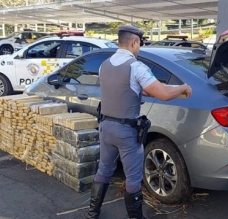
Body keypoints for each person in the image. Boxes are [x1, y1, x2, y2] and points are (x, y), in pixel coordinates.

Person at [84, 25, 192, 219]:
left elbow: (130, 89)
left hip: (106, 127)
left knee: (104, 170)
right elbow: (163, 94)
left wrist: (167, 87)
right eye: (139, 44)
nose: (139, 48)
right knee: (133, 178)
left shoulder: (104, 65)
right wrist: (183, 87)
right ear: (134, 42)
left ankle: (92, 214)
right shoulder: (136, 67)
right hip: (126, 131)